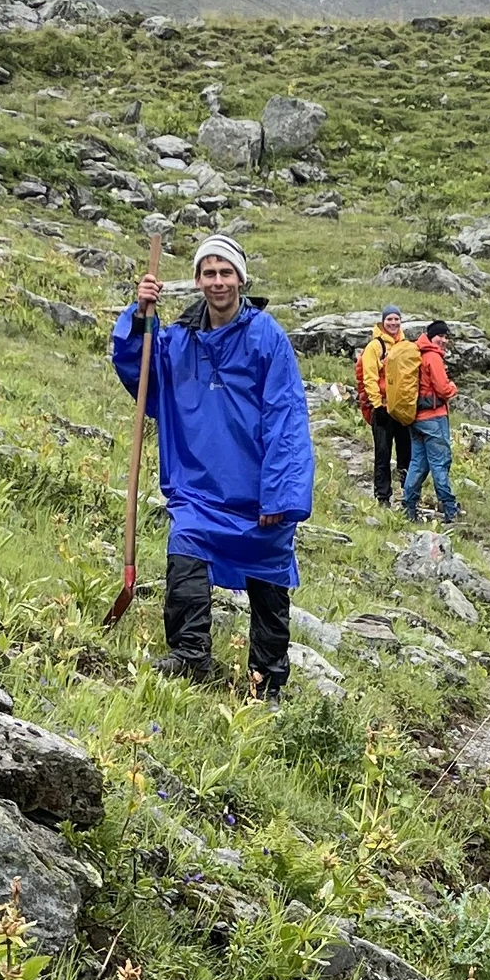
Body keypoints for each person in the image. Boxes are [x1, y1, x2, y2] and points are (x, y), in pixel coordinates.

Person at [111, 231, 314, 698]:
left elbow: (286, 417)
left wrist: (279, 494)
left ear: (240, 279)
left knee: (268, 579)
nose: (217, 282)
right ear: (198, 280)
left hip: (257, 490)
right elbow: (138, 369)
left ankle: (267, 681)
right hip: (198, 485)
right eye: (209, 273)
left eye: (226, 273)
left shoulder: (267, 337)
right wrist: (140, 316)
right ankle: (190, 654)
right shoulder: (177, 338)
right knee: (185, 549)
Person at [355, 306, 417, 507]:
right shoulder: (375, 346)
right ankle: (383, 496)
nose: (393, 323)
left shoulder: (405, 344)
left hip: (401, 408)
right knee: (382, 453)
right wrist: (376, 405)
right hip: (381, 407)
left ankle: (407, 492)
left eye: (396, 319)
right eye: (389, 319)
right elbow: (369, 377)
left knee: (405, 452)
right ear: (383, 322)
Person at [401, 317, 460, 521]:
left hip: (416, 418)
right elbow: (443, 389)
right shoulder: (433, 357)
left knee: (418, 463)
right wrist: (453, 387)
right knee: (440, 463)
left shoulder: (417, 353)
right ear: (431, 337)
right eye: (440, 336)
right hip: (434, 419)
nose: (443, 340)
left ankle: (408, 507)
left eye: (446, 337)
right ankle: (450, 508)